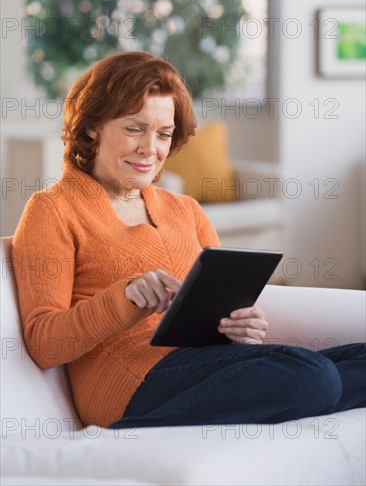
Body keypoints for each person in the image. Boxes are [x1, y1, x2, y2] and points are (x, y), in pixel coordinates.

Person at [12, 52, 366, 429]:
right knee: (313, 374)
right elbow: (44, 343)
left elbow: (221, 308)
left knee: (337, 365)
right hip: (133, 386)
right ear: (93, 126)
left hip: (206, 365)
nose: (151, 149)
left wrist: (242, 329)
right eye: (135, 129)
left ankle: (292, 393)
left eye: (163, 134)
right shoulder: (53, 210)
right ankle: (144, 426)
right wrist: (125, 297)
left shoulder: (184, 209)